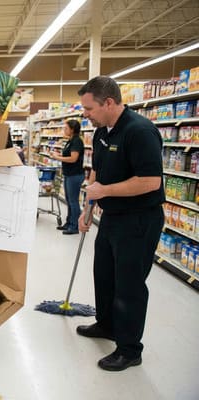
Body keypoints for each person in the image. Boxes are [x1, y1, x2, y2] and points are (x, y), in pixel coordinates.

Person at [76, 76, 165, 371]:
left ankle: (129, 349)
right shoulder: (102, 132)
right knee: (104, 275)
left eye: (89, 108)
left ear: (109, 103)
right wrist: (86, 209)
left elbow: (151, 182)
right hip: (111, 218)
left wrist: (105, 192)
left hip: (139, 220)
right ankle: (107, 324)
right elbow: (97, 173)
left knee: (129, 285)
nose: (85, 114)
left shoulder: (139, 131)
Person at [51, 119, 85, 234]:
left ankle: (75, 226)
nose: (64, 130)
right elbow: (67, 155)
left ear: (72, 129)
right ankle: (69, 223)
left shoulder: (77, 141)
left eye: (66, 128)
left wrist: (58, 158)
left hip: (75, 175)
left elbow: (73, 158)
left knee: (73, 201)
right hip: (69, 174)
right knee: (69, 200)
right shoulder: (70, 141)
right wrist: (58, 155)